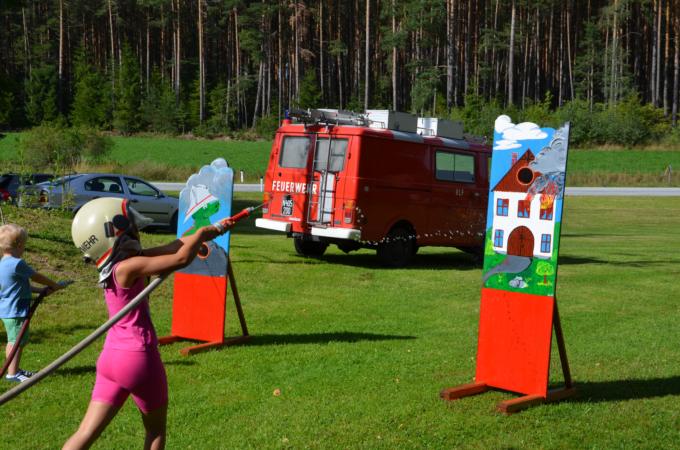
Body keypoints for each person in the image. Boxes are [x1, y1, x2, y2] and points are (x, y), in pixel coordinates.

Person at [64, 198, 232, 450]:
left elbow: (174, 247)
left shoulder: (117, 268)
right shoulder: (129, 267)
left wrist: (213, 230)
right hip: (138, 357)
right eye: (132, 228)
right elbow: (180, 259)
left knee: (85, 432)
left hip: (111, 358)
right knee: (155, 431)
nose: (137, 233)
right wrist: (201, 234)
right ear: (116, 234)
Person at [0, 223, 63, 383]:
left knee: (16, 340)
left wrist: (40, 291)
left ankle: (15, 370)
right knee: (16, 341)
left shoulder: (3, 263)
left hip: (9, 309)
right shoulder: (17, 263)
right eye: (24, 245)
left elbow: (20, 286)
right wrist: (53, 284)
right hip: (15, 310)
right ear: (19, 245)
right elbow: (36, 276)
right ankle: (12, 373)